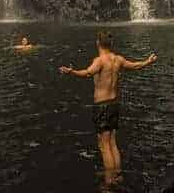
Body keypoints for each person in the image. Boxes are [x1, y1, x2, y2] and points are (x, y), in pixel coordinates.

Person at [59, 30, 157, 185]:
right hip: (114, 104)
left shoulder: (100, 61)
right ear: (110, 44)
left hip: (102, 106)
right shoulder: (118, 59)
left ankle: (109, 182)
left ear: (98, 43)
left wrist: (71, 71)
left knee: (104, 145)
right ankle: (117, 176)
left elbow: (87, 73)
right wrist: (148, 61)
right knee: (112, 142)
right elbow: (136, 66)